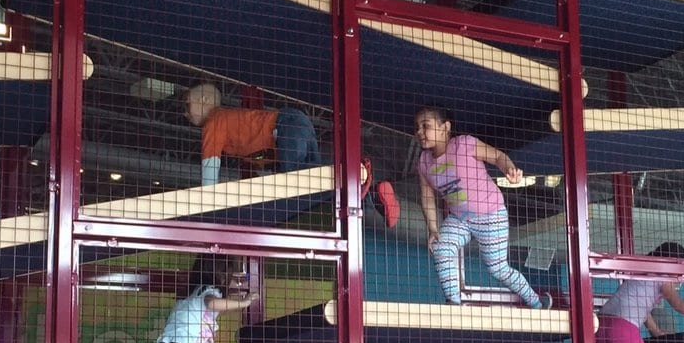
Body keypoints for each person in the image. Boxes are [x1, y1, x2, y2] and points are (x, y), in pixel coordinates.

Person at [185, 82, 400, 226]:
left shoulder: (215, 120)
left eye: (187, 105)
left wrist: (207, 201)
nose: (185, 112)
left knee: (297, 179)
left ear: (204, 101)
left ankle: (358, 170)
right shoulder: (232, 124)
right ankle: (373, 194)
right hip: (297, 125)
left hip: (285, 126)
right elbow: (257, 153)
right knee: (321, 186)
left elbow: (210, 163)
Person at [414, 106, 551, 310]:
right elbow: (427, 196)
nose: (419, 132)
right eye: (417, 128)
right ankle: (454, 303)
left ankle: (537, 302)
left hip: (491, 215)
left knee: (498, 268)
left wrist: (509, 169)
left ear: (445, 127)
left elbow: (497, 156)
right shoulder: (424, 162)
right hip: (459, 218)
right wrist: (433, 229)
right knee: (441, 247)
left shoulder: (464, 144)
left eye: (426, 126)